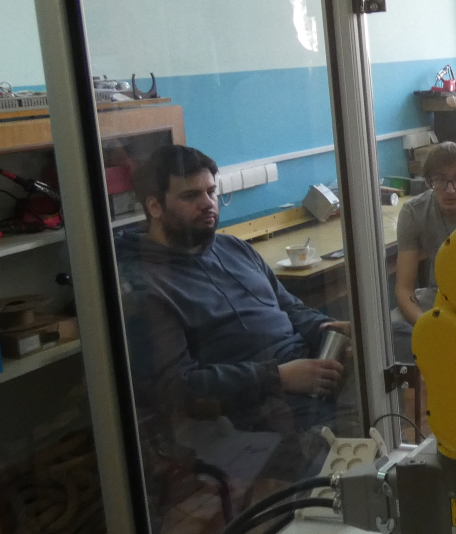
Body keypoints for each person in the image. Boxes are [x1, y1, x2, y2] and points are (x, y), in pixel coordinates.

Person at [117, 145, 349, 438]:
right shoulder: (144, 286)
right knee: (361, 432)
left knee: (396, 355)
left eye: (211, 192)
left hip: (310, 371)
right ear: (155, 207)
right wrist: (278, 377)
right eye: (190, 196)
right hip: (259, 408)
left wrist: (327, 330)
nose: (208, 203)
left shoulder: (234, 248)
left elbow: (290, 308)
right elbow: (177, 388)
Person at [392, 141, 456, 361]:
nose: (450, 190)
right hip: (440, 296)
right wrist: (426, 325)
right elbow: (404, 288)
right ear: (428, 182)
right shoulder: (414, 212)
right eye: (439, 180)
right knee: (389, 329)